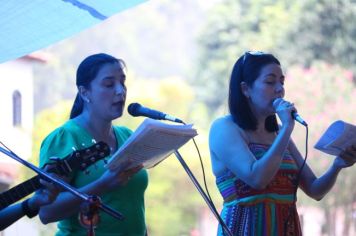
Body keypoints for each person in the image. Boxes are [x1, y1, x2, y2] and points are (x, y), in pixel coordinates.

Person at [209, 51, 356, 235]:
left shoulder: (279, 132)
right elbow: (257, 178)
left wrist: (337, 166)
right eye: (270, 82)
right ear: (246, 89)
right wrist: (287, 127)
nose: (280, 89)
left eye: (282, 82)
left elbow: (315, 190)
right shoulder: (225, 127)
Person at [38, 53, 148, 235]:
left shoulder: (128, 136)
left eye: (123, 82)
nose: (120, 91)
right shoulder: (64, 138)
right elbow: (47, 212)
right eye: (109, 84)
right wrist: (103, 184)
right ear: (84, 92)